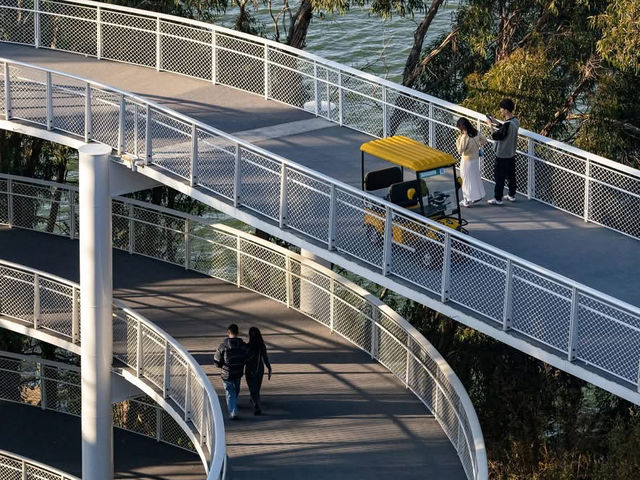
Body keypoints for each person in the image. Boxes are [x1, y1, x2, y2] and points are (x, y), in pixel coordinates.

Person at [486, 98, 520, 205]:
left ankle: (498, 198)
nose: (500, 110)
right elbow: (506, 129)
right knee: (511, 176)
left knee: (499, 177)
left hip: (502, 155)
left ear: (505, 110)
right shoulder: (515, 121)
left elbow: (497, 136)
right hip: (511, 153)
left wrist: (490, 126)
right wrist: (498, 124)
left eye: (501, 109)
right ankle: (511, 194)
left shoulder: (507, 125)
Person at [214, 324, 247, 420]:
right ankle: (233, 407)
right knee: (236, 389)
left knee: (229, 391)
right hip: (238, 372)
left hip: (226, 373)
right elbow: (247, 355)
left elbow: (216, 359)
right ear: (238, 333)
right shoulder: (242, 345)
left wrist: (220, 366)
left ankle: (232, 411)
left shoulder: (223, 345)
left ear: (228, 333)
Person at [456, 117, 487, 207]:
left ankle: (466, 200)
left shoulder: (465, 137)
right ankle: (477, 196)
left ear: (462, 127)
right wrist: (478, 146)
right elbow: (484, 140)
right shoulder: (475, 132)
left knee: (465, 180)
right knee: (475, 178)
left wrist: (458, 140)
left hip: (466, 161)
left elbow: (460, 150)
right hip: (475, 159)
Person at [244, 327, 272, 415]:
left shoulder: (247, 346)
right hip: (259, 369)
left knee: (252, 388)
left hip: (249, 369)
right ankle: (255, 400)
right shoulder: (261, 346)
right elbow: (265, 358)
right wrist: (269, 367)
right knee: (257, 388)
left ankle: (256, 405)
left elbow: (244, 359)